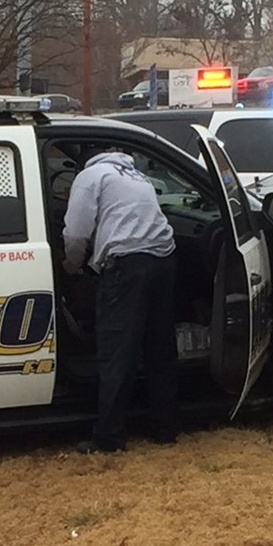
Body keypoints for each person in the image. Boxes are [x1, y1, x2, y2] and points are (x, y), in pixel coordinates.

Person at [61, 145, 181, 454]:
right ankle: (165, 429)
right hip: (163, 260)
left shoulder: (90, 176)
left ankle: (110, 438)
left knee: (118, 352)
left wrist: (71, 267)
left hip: (126, 266)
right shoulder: (136, 175)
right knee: (159, 349)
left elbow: (75, 233)